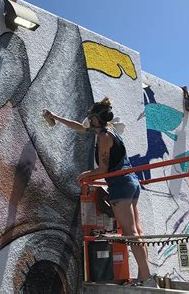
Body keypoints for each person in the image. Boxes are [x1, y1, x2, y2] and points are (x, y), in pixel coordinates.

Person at [44, 97, 158, 288]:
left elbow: (103, 170)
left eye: (90, 116)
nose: (88, 119)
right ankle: (144, 277)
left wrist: (85, 175)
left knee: (130, 233)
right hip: (131, 182)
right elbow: (80, 127)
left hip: (120, 185)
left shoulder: (103, 136)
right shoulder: (109, 129)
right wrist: (56, 117)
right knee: (137, 231)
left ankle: (146, 279)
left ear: (97, 119)